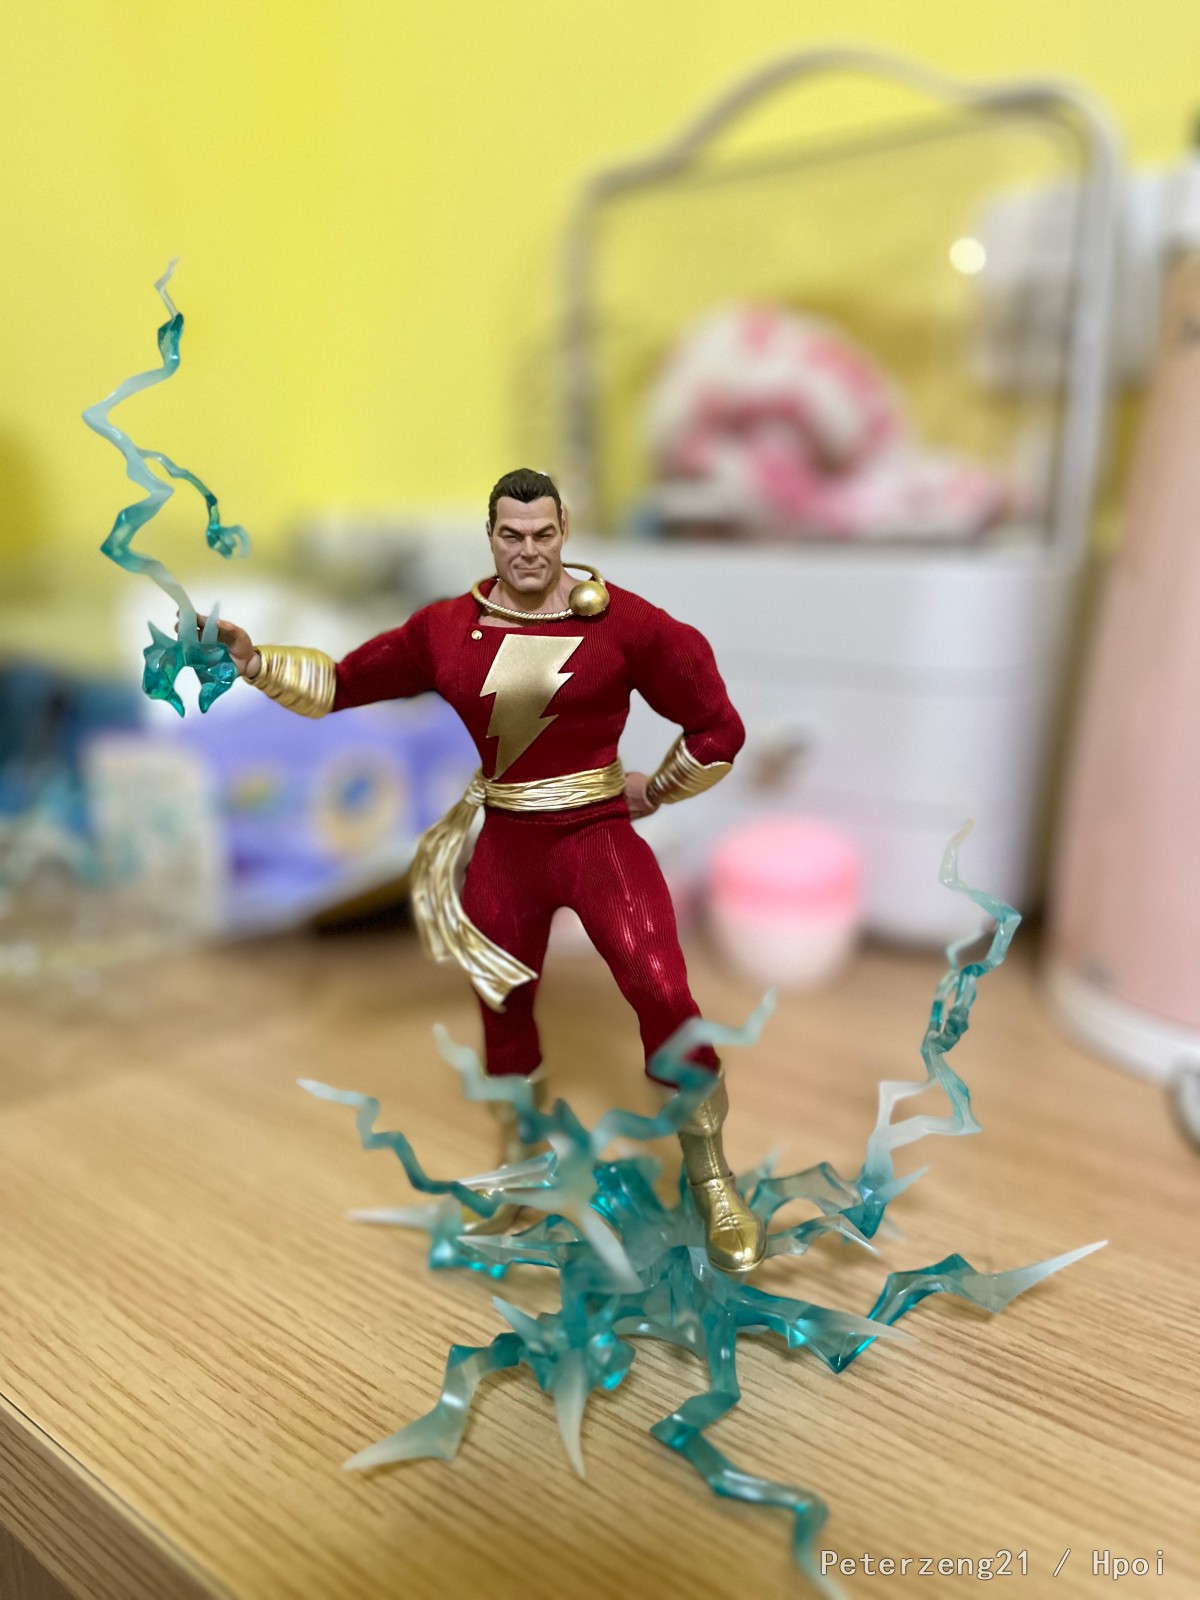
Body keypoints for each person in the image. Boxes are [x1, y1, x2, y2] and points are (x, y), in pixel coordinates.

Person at [205, 468, 764, 1274]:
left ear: (564, 530)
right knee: (501, 1003)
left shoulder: (625, 624)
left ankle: (711, 1175)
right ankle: (522, 1164)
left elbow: (717, 725)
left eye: (543, 534)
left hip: (597, 838)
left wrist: (660, 788)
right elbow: (342, 684)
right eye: (512, 535)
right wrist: (255, 662)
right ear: (492, 536)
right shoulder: (444, 630)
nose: (528, 551)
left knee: (661, 987)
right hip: (505, 846)